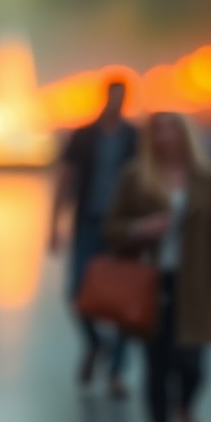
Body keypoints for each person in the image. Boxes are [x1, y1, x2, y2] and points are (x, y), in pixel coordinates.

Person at [105, 111, 211, 422]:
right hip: (150, 284)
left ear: (185, 135)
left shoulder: (206, 176)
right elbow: (111, 227)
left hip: (193, 284)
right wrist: (139, 228)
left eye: (171, 130)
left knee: (194, 364)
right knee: (156, 367)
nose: (164, 138)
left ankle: (184, 407)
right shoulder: (136, 176)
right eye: (157, 131)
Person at [49, 79, 139, 397]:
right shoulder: (84, 136)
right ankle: (96, 343)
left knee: (126, 297)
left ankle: (117, 369)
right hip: (88, 220)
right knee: (77, 291)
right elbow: (66, 178)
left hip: (125, 225)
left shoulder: (134, 137)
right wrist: (54, 223)